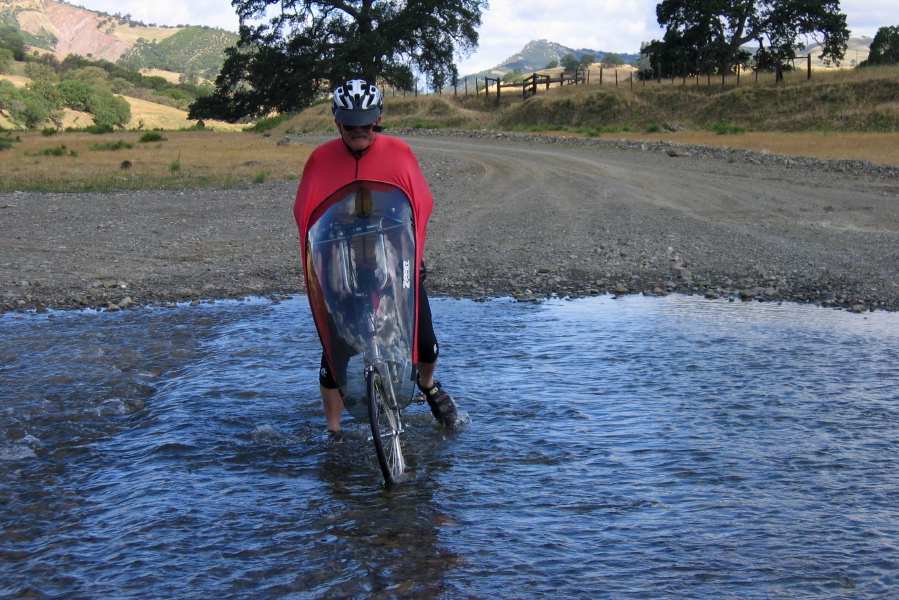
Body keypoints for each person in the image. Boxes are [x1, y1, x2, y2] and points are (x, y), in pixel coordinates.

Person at [294, 78, 458, 438]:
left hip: (395, 259)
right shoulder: (321, 159)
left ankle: (428, 387)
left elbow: (421, 204)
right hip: (342, 262)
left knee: (426, 343)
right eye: (350, 125)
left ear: (377, 119)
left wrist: (412, 254)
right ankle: (333, 431)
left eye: (366, 124)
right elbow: (306, 215)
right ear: (337, 123)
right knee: (335, 353)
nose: (359, 132)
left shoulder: (398, 152)